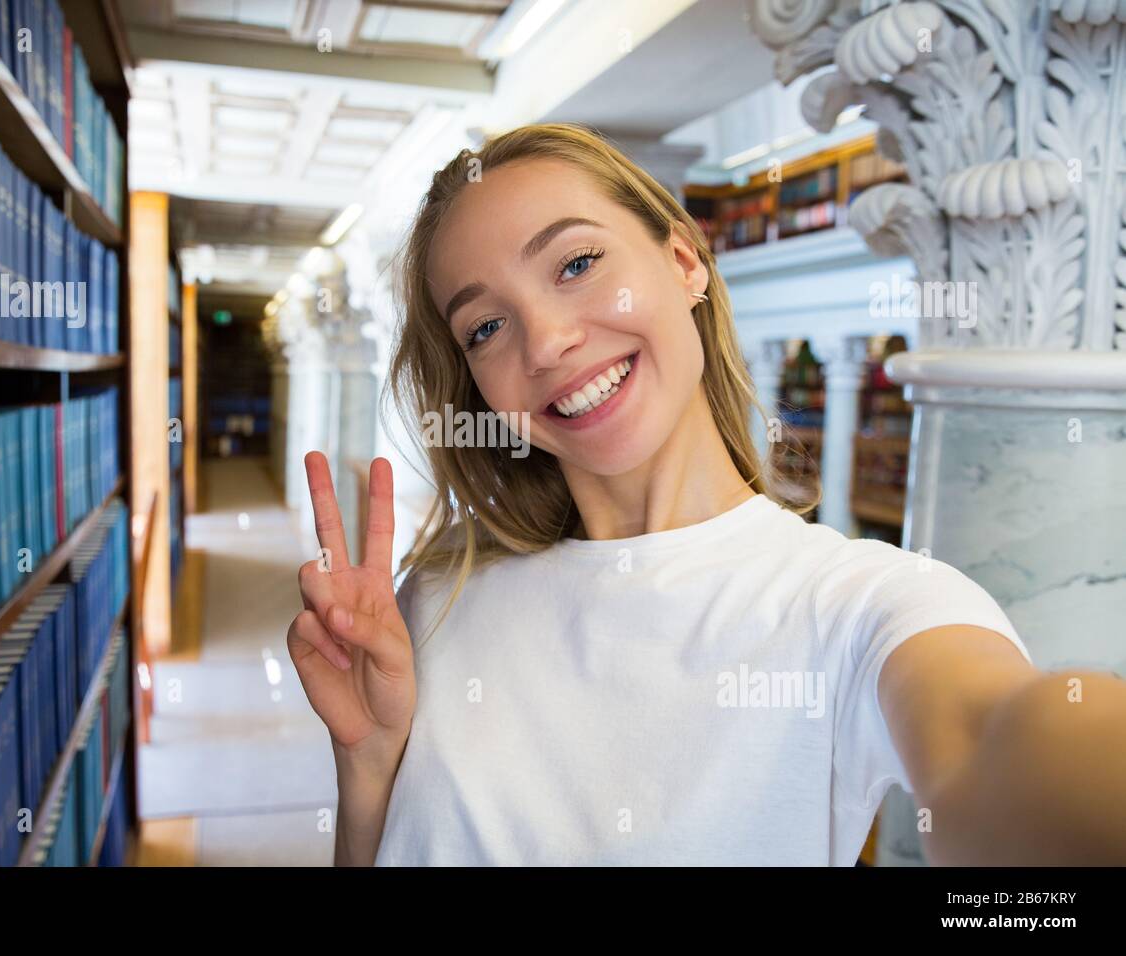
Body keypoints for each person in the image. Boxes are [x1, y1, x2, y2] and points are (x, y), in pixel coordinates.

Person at [288, 123, 1126, 867]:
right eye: (485, 327)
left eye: (577, 264)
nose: (546, 341)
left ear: (685, 262)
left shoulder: (863, 604)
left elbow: (990, 740)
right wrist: (366, 762)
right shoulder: (436, 597)